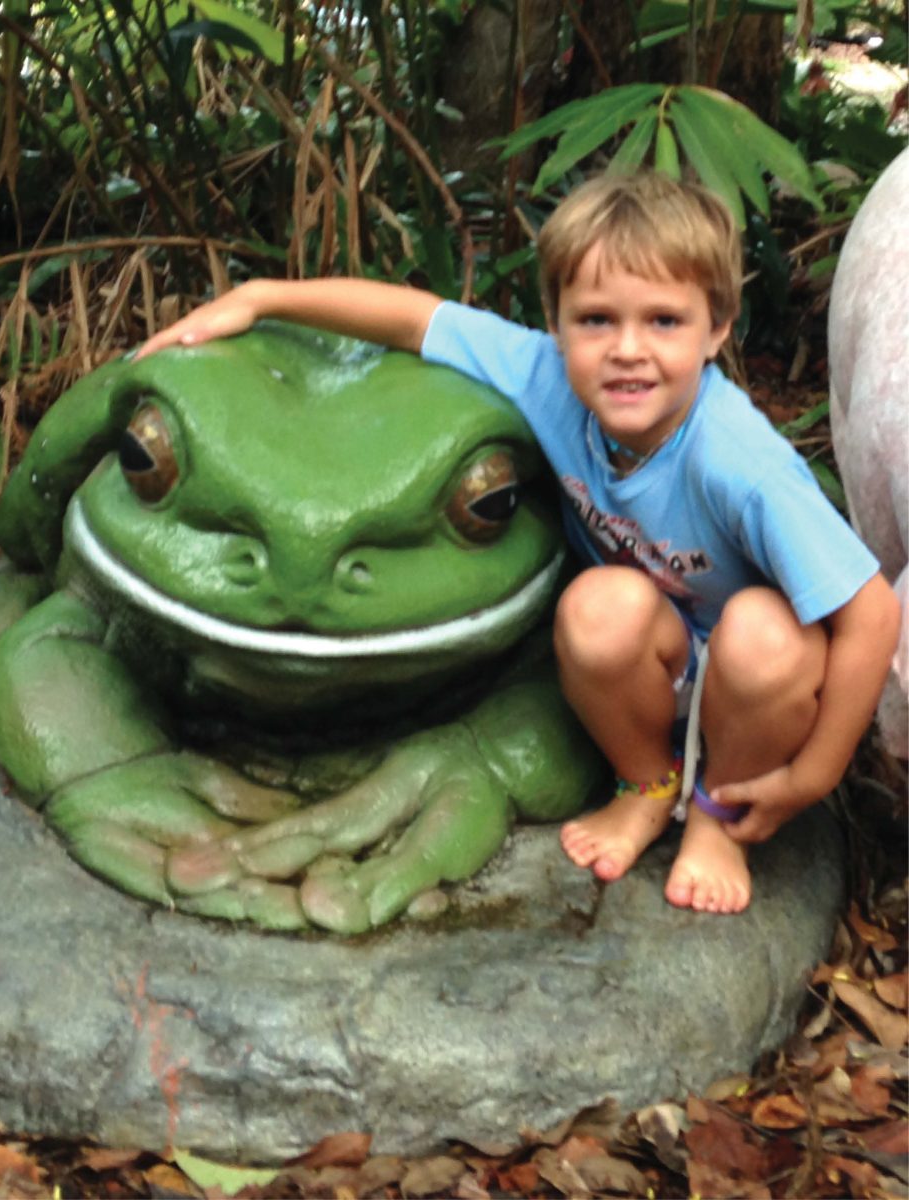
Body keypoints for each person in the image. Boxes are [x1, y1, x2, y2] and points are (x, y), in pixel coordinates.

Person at [135, 171, 901, 915]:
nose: (627, 349)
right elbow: (412, 319)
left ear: (717, 329)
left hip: (760, 692)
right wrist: (261, 299)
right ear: (556, 320)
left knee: (765, 634)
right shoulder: (545, 379)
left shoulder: (739, 462)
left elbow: (870, 611)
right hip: (658, 663)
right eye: (596, 319)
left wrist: (813, 774)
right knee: (598, 608)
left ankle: (715, 821)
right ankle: (646, 786)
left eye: (664, 321)